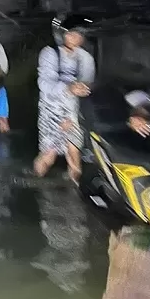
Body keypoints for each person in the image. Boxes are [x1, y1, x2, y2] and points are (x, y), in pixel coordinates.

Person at [34, 14, 96, 183]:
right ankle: (36, 183)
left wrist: (83, 89)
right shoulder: (49, 53)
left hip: (73, 111)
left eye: (79, 34)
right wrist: (68, 88)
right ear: (62, 34)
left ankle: (74, 192)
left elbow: (89, 84)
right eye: (71, 34)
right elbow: (44, 84)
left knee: (74, 152)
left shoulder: (86, 58)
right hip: (51, 109)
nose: (75, 38)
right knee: (50, 154)